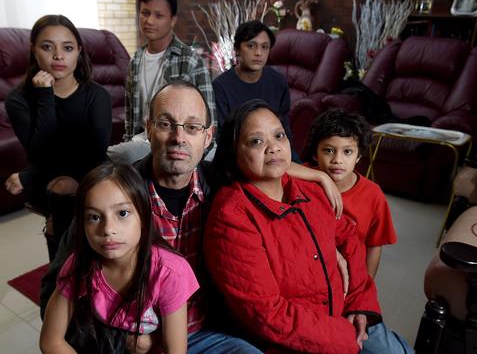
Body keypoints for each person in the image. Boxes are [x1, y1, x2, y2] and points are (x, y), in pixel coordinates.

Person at [42, 80, 343, 353]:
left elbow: (268, 158)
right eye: (166, 124)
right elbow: (53, 293)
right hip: (132, 339)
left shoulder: (223, 189)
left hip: (206, 333)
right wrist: (122, 339)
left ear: (208, 136)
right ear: (148, 129)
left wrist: (319, 181)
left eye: (192, 127)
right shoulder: (116, 198)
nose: (178, 137)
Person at [205, 99, 412, 353]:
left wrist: (360, 301)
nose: (273, 148)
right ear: (233, 153)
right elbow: (266, 312)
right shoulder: (232, 215)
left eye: (279, 136)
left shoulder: (308, 190)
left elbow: (349, 237)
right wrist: (344, 338)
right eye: (256, 141)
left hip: (344, 310)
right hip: (296, 337)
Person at [40, 163, 198, 353]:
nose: (108, 230)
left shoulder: (170, 272)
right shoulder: (78, 265)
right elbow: (51, 341)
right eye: (94, 217)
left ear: (143, 215)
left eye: (122, 213)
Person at [5, 15, 112, 261]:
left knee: (67, 192)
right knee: (60, 190)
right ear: (34, 51)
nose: (58, 56)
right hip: (48, 178)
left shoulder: (97, 95)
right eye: (47, 47)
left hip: (92, 172)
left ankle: (77, 264)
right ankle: (63, 276)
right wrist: (45, 97)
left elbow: (93, 154)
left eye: (67, 48)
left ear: (78, 52)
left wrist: (28, 175)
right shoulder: (18, 99)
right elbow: (40, 153)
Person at [107, 0, 215, 165]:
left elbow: (209, 117)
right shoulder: (136, 60)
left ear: (172, 20)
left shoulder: (190, 60)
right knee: (112, 156)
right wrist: (128, 144)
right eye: (145, 13)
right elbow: (130, 117)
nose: (149, 21)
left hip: (177, 140)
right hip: (144, 139)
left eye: (158, 15)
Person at [301, 109, 397, 278]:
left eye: (347, 152)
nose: (337, 159)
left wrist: (366, 284)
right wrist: (319, 176)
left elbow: (374, 245)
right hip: (306, 269)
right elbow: (276, 168)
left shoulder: (373, 195)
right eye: (328, 150)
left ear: (359, 156)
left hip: (350, 274)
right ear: (315, 154)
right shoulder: (303, 178)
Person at [212, 20, 299, 162]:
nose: (258, 53)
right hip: (237, 155)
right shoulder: (221, 86)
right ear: (237, 50)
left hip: (275, 150)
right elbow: (222, 136)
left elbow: (285, 127)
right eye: (251, 46)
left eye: (265, 47)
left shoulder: (278, 81)